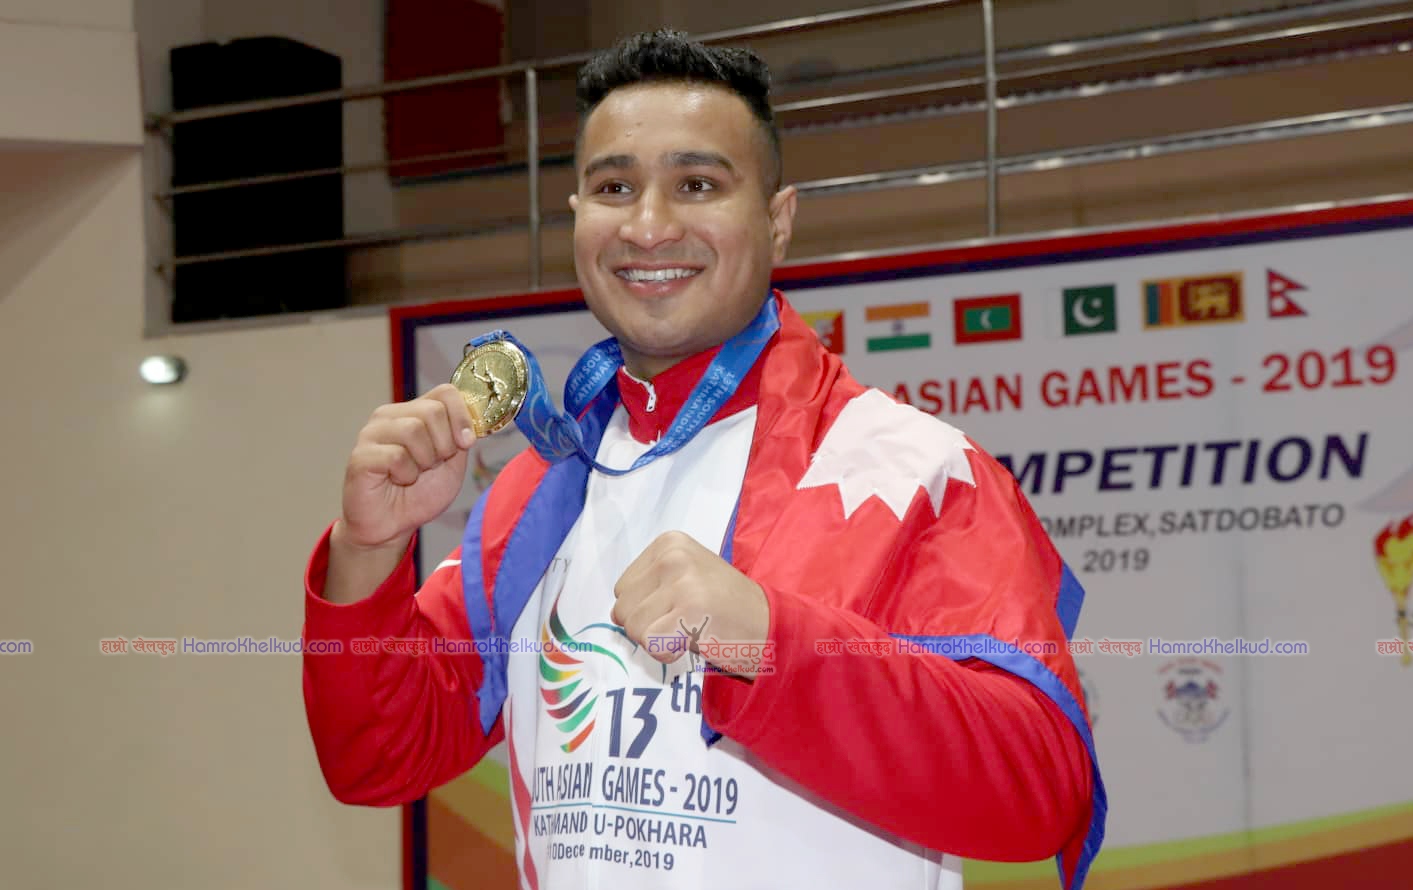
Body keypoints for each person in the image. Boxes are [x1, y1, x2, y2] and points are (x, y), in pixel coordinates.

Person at [303, 29, 1105, 890]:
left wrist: (771, 643)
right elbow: (381, 757)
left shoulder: (911, 468)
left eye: (697, 185)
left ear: (777, 221)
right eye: (614, 187)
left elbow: (1039, 791)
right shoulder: (542, 486)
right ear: (577, 217)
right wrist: (367, 552)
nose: (649, 226)